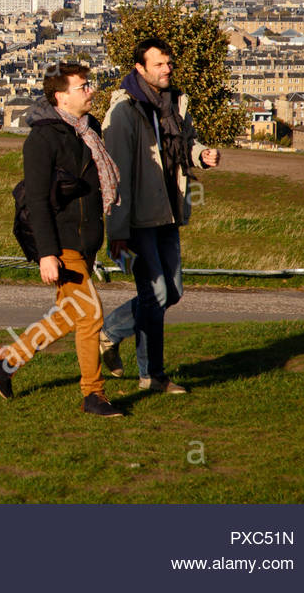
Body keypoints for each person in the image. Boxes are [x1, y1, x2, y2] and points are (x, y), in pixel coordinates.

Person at [0, 62, 124, 417]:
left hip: (87, 239)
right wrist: (47, 254)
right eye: (83, 86)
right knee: (92, 317)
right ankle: (93, 395)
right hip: (62, 242)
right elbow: (36, 199)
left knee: (72, 315)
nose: (90, 91)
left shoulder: (89, 129)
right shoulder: (42, 138)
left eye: (89, 84)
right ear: (61, 96)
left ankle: (9, 358)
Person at [99, 38, 220, 394]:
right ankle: (152, 376)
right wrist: (117, 231)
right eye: (159, 65)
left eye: (168, 62)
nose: (167, 69)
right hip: (138, 218)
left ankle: (110, 333)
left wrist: (202, 155)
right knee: (156, 295)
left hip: (169, 211)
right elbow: (116, 174)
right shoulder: (124, 111)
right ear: (140, 68)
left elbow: (186, 141)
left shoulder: (175, 102)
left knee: (173, 292)